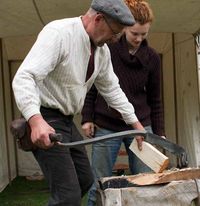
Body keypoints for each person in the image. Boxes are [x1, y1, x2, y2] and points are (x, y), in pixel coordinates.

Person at [12, 0, 147, 205]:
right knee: (68, 195)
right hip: (45, 117)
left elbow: (112, 89)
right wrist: (35, 120)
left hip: (66, 121)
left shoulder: (102, 52)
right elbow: (24, 77)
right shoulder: (59, 33)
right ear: (98, 19)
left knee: (85, 180)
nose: (115, 38)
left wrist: (135, 124)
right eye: (114, 32)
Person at [81, 0, 165, 205]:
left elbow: (156, 99)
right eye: (134, 33)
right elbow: (92, 87)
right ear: (125, 27)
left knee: (145, 183)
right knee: (99, 183)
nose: (139, 38)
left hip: (140, 126)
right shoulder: (106, 49)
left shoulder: (152, 58)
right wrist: (87, 118)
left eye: (144, 34)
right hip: (107, 125)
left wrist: (159, 132)